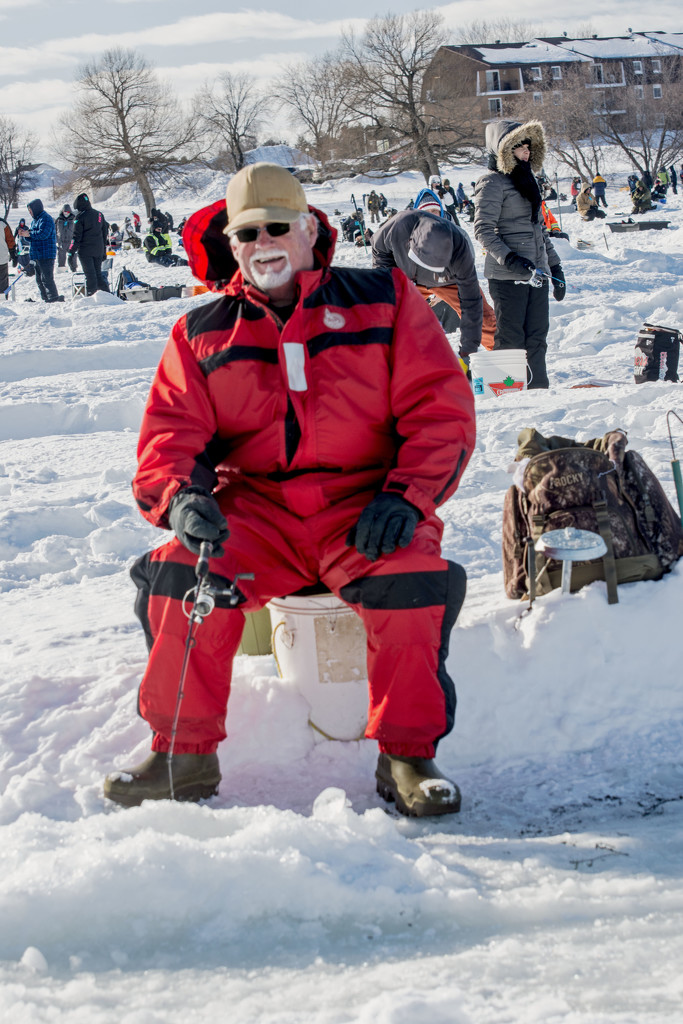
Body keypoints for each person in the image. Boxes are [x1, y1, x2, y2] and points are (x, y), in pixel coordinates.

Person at [103, 162, 476, 817]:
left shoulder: (384, 300)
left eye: (278, 226)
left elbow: (440, 410)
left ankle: (407, 755)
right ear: (231, 244)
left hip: (366, 508)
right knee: (179, 577)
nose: (262, 242)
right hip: (258, 513)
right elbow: (171, 434)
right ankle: (181, 755)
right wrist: (182, 497)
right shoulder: (200, 333)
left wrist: (406, 497)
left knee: (410, 578)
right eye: (246, 233)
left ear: (309, 229)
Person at [473, 119, 565, 390]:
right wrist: (511, 259)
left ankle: (538, 390)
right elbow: (483, 230)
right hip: (507, 275)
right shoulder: (491, 183)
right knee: (512, 338)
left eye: (528, 146)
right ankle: (510, 394)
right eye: (519, 146)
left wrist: (556, 269)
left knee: (537, 337)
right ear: (504, 150)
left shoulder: (528, 182)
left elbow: (539, 230)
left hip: (537, 272)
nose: (526, 151)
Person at [371, 207, 496, 357]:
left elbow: (471, 302)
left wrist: (468, 348)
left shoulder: (460, 248)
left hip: (447, 280)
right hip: (407, 276)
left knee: (484, 317)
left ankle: (501, 352)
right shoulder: (397, 226)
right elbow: (380, 255)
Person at [67, 192, 110, 296]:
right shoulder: (99, 214)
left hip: (86, 251)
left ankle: (92, 296)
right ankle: (108, 295)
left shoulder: (80, 218)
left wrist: (70, 252)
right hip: (98, 250)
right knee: (98, 275)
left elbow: (76, 237)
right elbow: (105, 234)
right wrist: (104, 251)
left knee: (90, 275)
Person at [21, 199, 62, 302]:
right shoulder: (35, 220)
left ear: (36, 209)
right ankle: (45, 299)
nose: (30, 213)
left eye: (30, 210)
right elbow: (34, 235)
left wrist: (29, 234)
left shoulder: (46, 218)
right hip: (37, 255)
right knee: (39, 280)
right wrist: (26, 235)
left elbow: (43, 234)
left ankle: (53, 298)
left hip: (46, 254)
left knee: (47, 279)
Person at [0, 213, 18, 298]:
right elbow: (10, 240)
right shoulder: (2, 223)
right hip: (1, 258)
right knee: (2, 283)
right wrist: (13, 254)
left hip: (2, 258)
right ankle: (3, 301)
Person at [55, 204, 75, 268]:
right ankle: (61, 269)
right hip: (61, 241)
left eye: (67, 212)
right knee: (61, 257)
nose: (66, 214)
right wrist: (57, 240)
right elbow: (55, 230)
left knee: (73, 256)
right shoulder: (58, 220)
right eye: (65, 212)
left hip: (71, 241)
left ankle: (73, 268)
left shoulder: (74, 219)